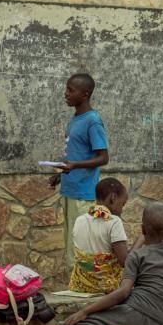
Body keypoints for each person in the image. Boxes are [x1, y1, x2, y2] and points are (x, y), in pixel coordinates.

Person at [56, 202, 163, 325]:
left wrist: (84, 311)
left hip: (133, 317)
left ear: (142, 229)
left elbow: (123, 292)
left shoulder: (137, 256)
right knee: (113, 315)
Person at [48, 73, 109, 271]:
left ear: (85, 94)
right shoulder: (75, 119)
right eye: (66, 88)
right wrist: (61, 175)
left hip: (84, 194)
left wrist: (74, 166)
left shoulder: (93, 121)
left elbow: (103, 157)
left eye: (70, 90)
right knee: (72, 246)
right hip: (70, 190)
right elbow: (76, 154)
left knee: (82, 248)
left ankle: (85, 291)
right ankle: (76, 288)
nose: (65, 93)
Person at [69, 178, 130, 294]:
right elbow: (125, 262)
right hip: (106, 287)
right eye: (123, 204)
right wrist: (142, 239)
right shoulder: (114, 221)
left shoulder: (80, 220)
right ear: (113, 198)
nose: (122, 210)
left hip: (80, 284)